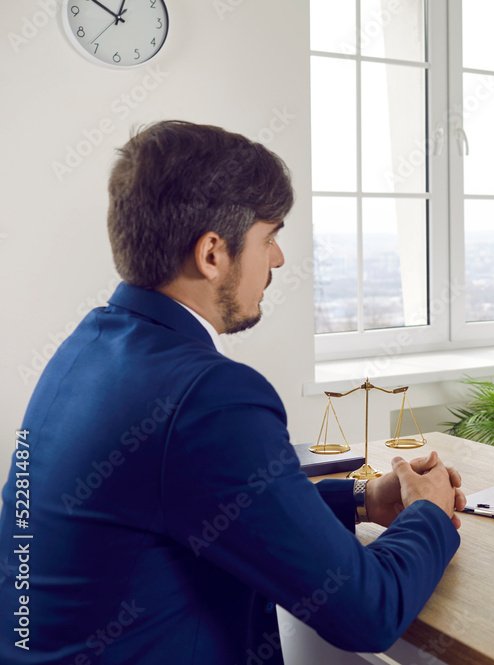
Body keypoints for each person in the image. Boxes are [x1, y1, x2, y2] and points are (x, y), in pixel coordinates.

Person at [0, 121, 465, 664]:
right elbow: (368, 613)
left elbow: (199, 504)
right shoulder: (210, 396)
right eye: (269, 238)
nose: (278, 259)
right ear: (212, 254)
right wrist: (429, 513)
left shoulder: (87, 347)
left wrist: (362, 498)